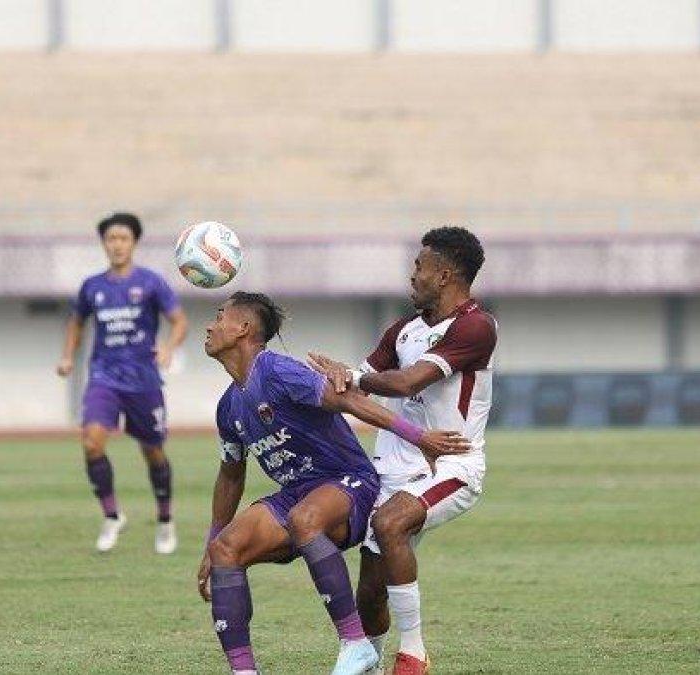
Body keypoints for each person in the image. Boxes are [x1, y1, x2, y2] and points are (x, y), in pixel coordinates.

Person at [198, 291, 470, 675]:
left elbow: (349, 401)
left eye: (219, 315)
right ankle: (244, 671)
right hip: (295, 497)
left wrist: (418, 436)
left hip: (349, 483)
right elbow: (230, 473)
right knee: (226, 549)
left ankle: (356, 644)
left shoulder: (276, 370)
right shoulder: (228, 406)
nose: (210, 325)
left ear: (243, 328)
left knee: (303, 517)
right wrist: (211, 538)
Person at [308, 226, 496, 675]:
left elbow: (406, 382)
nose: (412, 276)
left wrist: (350, 376)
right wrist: (332, 381)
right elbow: (359, 387)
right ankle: (366, 664)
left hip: (451, 464)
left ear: (445, 274)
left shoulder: (475, 326)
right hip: (394, 468)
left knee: (390, 522)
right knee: (370, 590)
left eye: (420, 266)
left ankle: (413, 652)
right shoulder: (403, 331)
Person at [57, 212, 189, 552]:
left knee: (154, 453)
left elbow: (179, 321)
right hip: (104, 377)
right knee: (91, 443)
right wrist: (68, 356)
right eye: (111, 239)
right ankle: (112, 515)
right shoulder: (92, 287)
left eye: (123, 239)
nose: (117, 245)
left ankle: (164, 521)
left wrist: (170, 347)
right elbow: (75, 323)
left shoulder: (151, 283)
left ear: (134, 243)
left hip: (144, 380)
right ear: (104, 244)